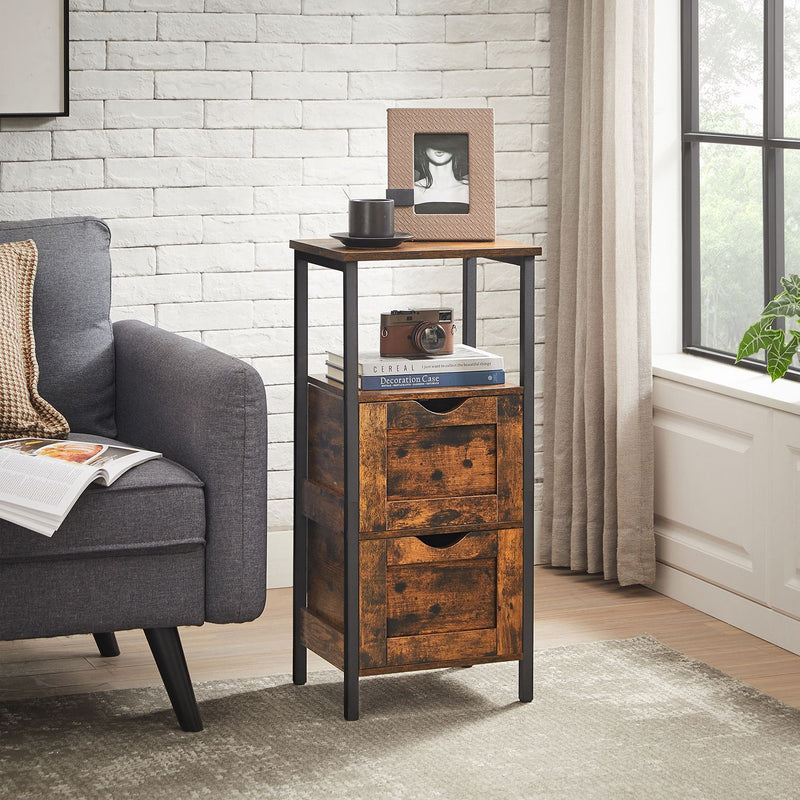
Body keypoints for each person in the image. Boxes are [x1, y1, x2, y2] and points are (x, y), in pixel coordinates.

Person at [413, 133, 470, 214]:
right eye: (433, 141)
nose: (439, 146)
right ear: (424, 146)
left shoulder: (470, 190)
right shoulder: (413, 191)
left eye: (445, 141)